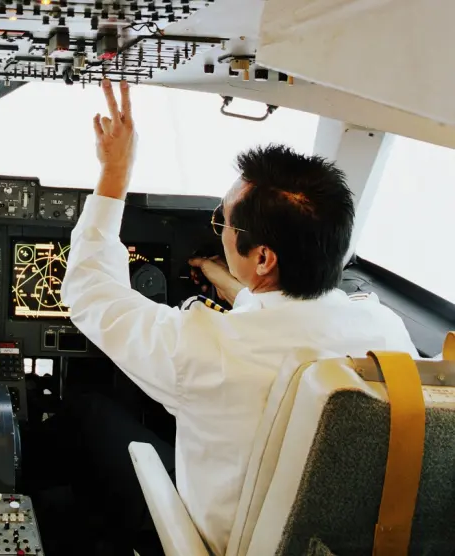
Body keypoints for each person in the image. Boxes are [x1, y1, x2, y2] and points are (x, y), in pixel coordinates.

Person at [57, 79, 417, 555]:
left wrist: (114, 171)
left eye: (223, 222)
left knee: (85, 407)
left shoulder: (204, 347)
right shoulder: (387, 331)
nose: (221, 232)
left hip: (223, 546)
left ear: (263, 258)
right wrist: (234, 285)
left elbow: (90, 292)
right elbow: (289, 321)